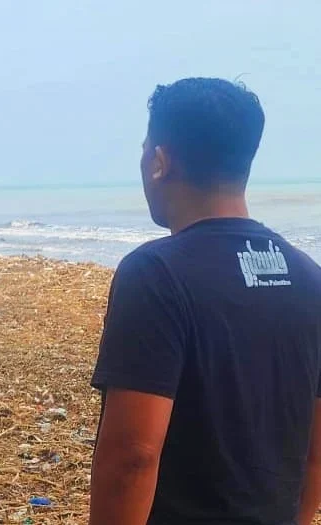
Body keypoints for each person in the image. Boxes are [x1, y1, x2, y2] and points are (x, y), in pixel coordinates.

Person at [89, 77, 321, 525]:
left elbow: (132, 458)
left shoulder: (155, 275)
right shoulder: (311, 280)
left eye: (144, 150)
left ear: (159, 161)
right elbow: (316, 455)